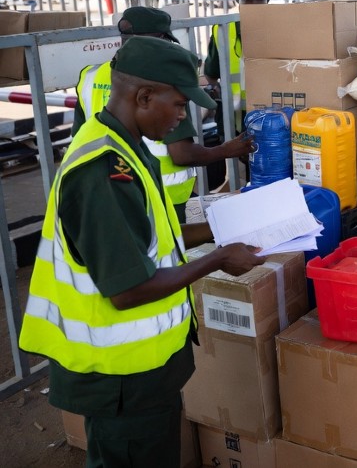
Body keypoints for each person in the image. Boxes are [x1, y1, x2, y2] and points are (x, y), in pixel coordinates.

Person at [19, 36, 265, 467]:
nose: (184, 118)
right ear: (144, 95)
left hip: (142, 371)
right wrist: (219, 258)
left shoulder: (127, 147)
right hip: (119, 376)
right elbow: (129, 290)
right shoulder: (102, 174)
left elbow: (153, 238)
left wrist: (220, 229)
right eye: (179, 105)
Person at [73, 6, 253, 222]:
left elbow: (80, 135)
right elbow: (182, 154)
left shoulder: (91, 76)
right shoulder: (162, 84)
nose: (181, 114)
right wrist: (226, 150)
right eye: (180, 105)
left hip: (122, 188)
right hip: (164, 196)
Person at [204, 0, 271, 129]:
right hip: (233, 116)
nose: (253, 6)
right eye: (247, 0)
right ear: (237, 0)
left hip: (272, 114)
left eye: (259, 0)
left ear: (268, 0)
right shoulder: (222, 30)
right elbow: (211, 73)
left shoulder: (282, 29)